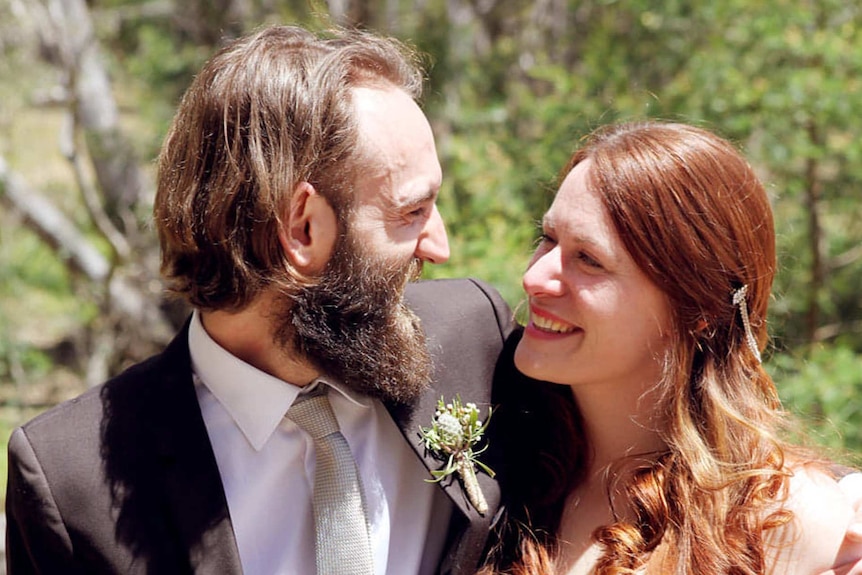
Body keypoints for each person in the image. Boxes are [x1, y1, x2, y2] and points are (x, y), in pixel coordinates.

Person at [5, 25, 514, 574]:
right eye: (411, 212)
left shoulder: (477, 341)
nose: (441, 246)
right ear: (301, 228)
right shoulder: (68, 480)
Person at [483, 121, 862, 574]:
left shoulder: (779, 522)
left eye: (588, 259)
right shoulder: (507, 457)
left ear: (696, 310)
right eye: (547, 238)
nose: (534, 278)